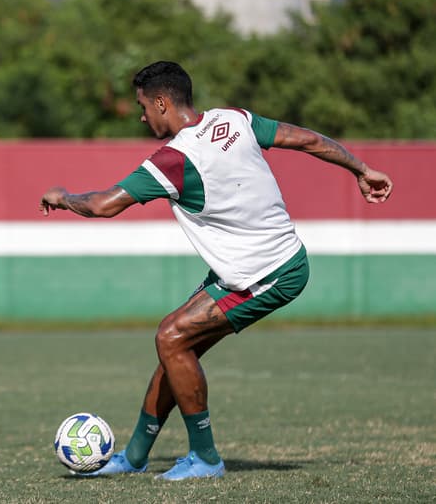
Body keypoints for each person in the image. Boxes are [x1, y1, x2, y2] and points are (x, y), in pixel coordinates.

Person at [39, 61, 392, 480]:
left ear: (162, 102)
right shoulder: (234, 120)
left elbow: (103, 205)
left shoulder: (173, 159)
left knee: (171, 338)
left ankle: (206, 459)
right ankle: (133, 457)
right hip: (252, 266)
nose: (141, 116)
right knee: (177, 346)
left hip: (268, 272)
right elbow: (307, 139)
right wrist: (361, 168)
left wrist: (63, 196)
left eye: (142, 106)